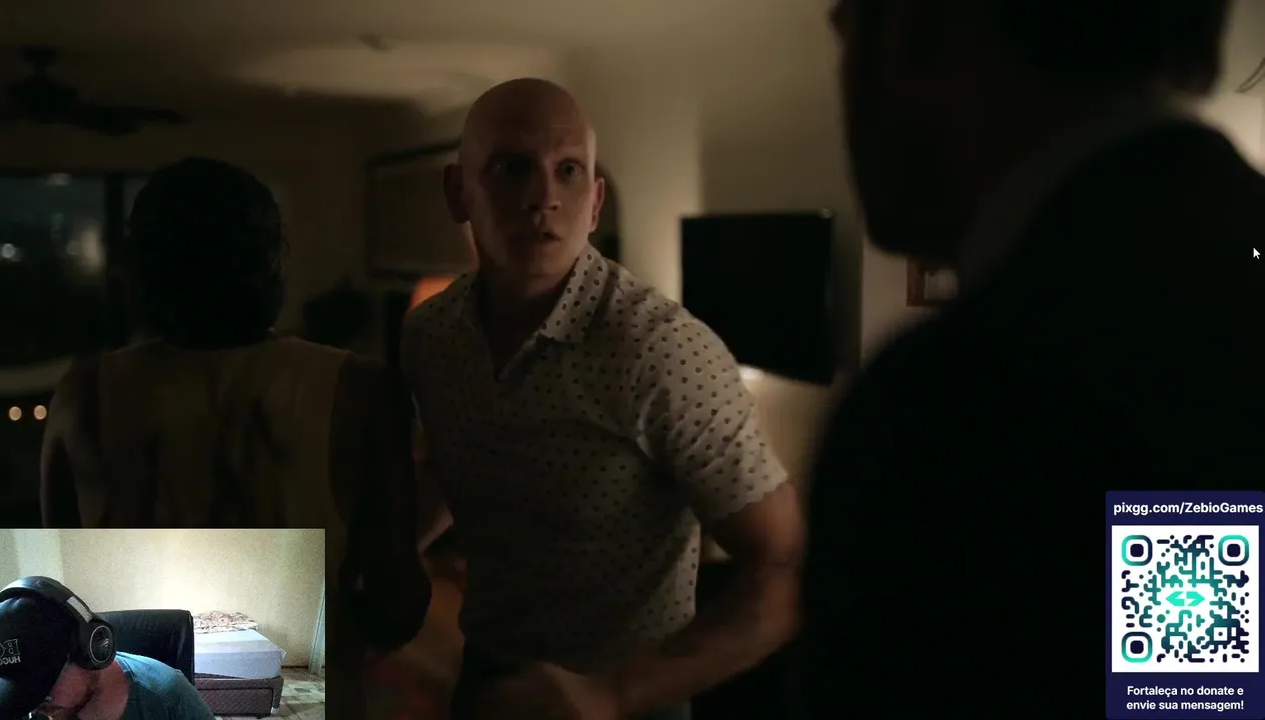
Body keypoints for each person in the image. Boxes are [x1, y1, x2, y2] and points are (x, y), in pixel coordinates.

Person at [805, 0, 1263, 715]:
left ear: (915, 29)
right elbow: (1190, 685)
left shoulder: (971, 402)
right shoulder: (1212, 283)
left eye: (845, 26)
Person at [402, 78, 805, 720]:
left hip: (627, 698)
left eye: (568, 171)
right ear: (459, 192)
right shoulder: (432, 334)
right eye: (513, 168)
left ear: (594, 203)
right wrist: (375, 564)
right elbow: (459, 461)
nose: (544, 197)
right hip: (486, 671)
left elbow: (785, 567)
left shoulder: (660, 349)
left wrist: (613, 697)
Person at [37, 157, 432, 717]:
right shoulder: (358, 389)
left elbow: (64, 590)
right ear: (271, 260)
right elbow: (398, 605)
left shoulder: (84, 394)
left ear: (139, 270)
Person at [0, 576, 213, 720]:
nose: (35, 708)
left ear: (91, 651)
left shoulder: (169, 698)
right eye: (21, 694)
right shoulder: (35, 707)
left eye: (44, 690)